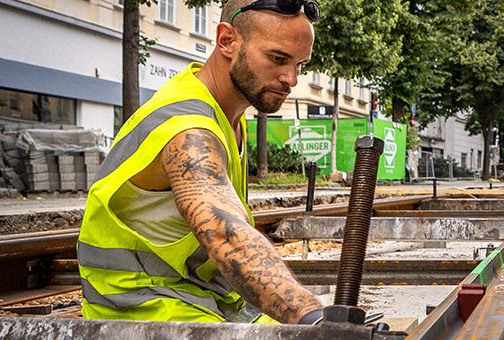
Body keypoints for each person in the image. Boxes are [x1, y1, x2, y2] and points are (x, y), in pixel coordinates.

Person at [78, 0, 329, 324]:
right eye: (278, 58)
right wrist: (311, 316)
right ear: (227, 40)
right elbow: (229, 237)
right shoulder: (187, 128)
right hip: (143, 309)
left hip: (202, 298)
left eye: (300, 64)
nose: (291, 79)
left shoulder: (228, 116)